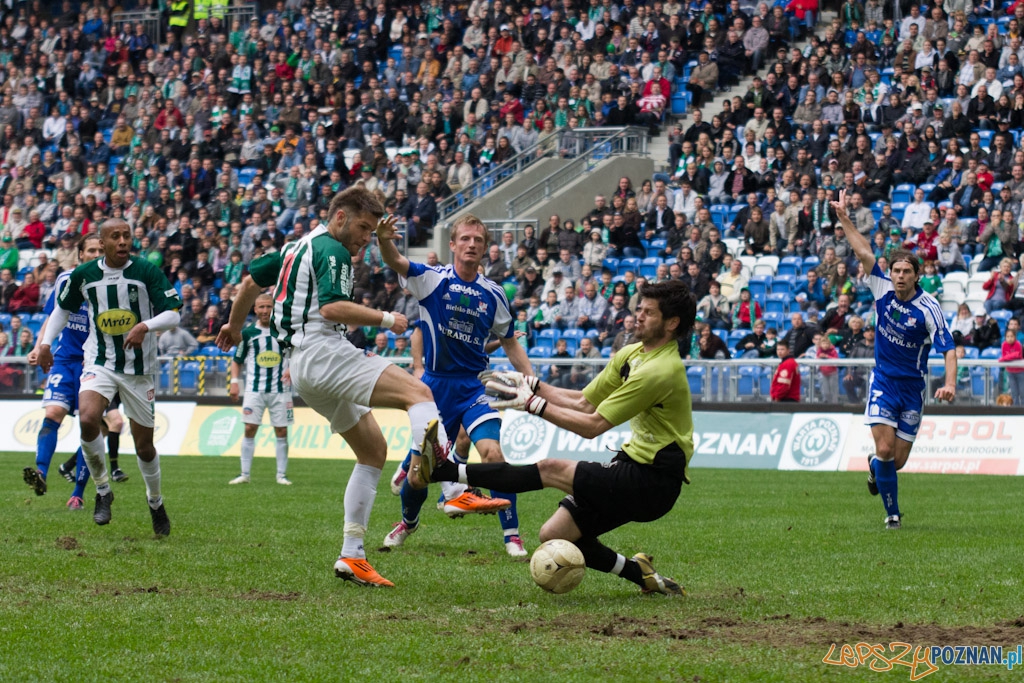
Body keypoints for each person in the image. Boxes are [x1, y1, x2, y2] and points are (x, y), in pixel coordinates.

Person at [216, 186, 450, 588]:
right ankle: (455, 487)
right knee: (419, 394)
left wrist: (233, 325)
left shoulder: (294, 247)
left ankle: (352, 555)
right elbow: (331, 308)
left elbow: (251, 280)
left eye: (371, 230)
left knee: (373, 450)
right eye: (362, 227)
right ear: (340, 217)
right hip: (323, 351)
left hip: (304, 367)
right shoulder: (334, 250)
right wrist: (385, 319)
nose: (364, 238)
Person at [421, 280, 696, 596]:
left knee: (550, 468)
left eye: (648, 312)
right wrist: (531, 385)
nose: (638, 317)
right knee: (555, 533)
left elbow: (591, 426)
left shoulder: (660, 370)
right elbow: (583, 402)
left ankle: (443, 472)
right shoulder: (633, 353)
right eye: (639, 310)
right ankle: (641, 574)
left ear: (672, 323)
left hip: (652, 482)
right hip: (633, 466)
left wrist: (532, 405)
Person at [376, 213, 534, 556]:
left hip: (477, 386)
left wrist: (532, 382)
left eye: (478, 240)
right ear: (452, 245)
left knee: (493, 455)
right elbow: (395, 260)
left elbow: (510, 343)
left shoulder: (494, 294)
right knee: (420, 476)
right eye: (465, 239)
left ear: (485, 249)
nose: (472, 244)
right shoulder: (431, 279)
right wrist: (384, 239)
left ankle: (512, 536)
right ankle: (409, 521)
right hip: (434, 389)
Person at [37, 220, 183, 536]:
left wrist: (145, 326)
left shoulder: (146, 271)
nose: (122, 241)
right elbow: (62, 309)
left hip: (139, 370)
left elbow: (174, 313)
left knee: (144, 447)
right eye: (115, 236)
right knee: (88, 418)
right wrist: (46, 343)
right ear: (102, 242)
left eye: (126, 235)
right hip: (99, 362)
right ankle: (103, 491)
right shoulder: (85, 275)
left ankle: (155, 502)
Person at [832, 190, 956, 530]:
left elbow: (948, 347)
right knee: (886, 448)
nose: (899, 276)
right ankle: (892, 515)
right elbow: (863, 251)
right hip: (884, 382)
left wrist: (948, 383)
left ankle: (875, 467)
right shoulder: (881, 289)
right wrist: (844, 217)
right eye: (896, 270)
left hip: (913, 389)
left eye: (906, 271)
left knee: (895, 461)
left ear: (917, 275)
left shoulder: (929, 308)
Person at [22, 235, 104, 506]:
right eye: (90, 250)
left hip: (95, 364)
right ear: (80, 255)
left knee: (88, 424)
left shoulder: (111, 286)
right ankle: (41, 473)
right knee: (53, 412)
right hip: (65, 358)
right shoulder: (65, 280)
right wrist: (39, 347)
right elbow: (52, 317)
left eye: (100, 251)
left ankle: (78, 494)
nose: (95, 254)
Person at [228, 294, 293, 486]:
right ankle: (244, 474)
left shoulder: (284, 331)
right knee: (249, 428)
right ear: (255, 310)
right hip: (254, 390)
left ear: (274, 308)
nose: (265, 311)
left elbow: (298, 353)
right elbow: (237, 361)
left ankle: (281, 475)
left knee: (281, 431)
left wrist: (292, 367)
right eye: (261, 307)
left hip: (281, 389)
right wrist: (234, 382)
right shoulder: (248, 333)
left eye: (268, 307)